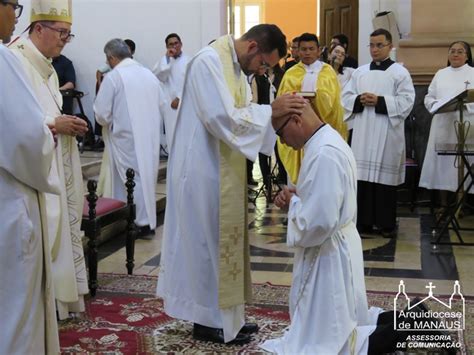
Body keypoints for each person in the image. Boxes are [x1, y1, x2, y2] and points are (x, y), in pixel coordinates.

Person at [156, 24, 306, 345]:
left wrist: (268, 113)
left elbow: (239, 115)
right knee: (205, 245)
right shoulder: (209, 61)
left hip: (222, 168)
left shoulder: (238, 70)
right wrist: (272, 110)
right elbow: (220, 117)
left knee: (221, 245)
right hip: (200, 169)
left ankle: (227, 318)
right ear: (253, 47)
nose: (264, 71)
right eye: (265, 64)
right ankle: (208, 320)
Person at [260, 104, 451, 355]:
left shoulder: (323, 153)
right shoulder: (328, 141)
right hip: (338, 244)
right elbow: (328, 201)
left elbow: (319, 223)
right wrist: (301, 196)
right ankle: (414, 317)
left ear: (296, 120)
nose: (283, 143)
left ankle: (410, 325)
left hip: (327, 252)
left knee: (333, 343)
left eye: (281, 134)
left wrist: (293, 204)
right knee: (347, 320)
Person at [10, 0, 89, 319]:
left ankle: (58, 301)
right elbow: (12, 122)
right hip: (29, 174)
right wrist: (54, 124)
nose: (64, 40)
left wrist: (64, 124)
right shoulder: (13, 61)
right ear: (38, 28)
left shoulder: (46, 65)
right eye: (61, 33)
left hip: (53, 163)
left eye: (69, 35)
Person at [0, 1, 60, 352]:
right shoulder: (4, 60)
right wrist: (47, 135)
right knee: (15, 307)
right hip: (8, 200)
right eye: (13, 6)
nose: (15, 16)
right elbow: (25, 137)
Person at [342, 28, 415, 237]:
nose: (374, 49)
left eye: (379, 45)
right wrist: (358, 100)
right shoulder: (360, 72)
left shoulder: (399, 72)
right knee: (362, 178)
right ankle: (363, 223)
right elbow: (345, 98)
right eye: (371, 45)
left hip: (387, 131)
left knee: (384, 180)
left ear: (390, 46)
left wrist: (381, 101)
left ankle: (386, 224)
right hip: (363, 130)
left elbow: (407, 101)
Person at [94, 38, 164, 238]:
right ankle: (140, 219)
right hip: (149, 137)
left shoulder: (115, 77)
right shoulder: (148, 74)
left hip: (126, 138)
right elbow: (162, 103)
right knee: (146, 177)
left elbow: (101, 113)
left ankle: (140, 223)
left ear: (112, 57)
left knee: (132, 179)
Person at [277, 32, 346, 185]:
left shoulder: (328, 72)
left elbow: (333, 103)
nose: (307, 52)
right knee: (299, 184)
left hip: (321, 129)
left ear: (319, 50)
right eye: (303, 49)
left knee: (320, 179)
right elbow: (283, 101)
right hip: (297, 130)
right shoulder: (290, 73)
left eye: (311, 48)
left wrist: (317, 98)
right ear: (298, 51)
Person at [419, 41, 474, 206]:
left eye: (460, 51)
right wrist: (436, 106)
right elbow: (429, 97)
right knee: (442, 164)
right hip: (443, 124)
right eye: (452, 51)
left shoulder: (472, 73)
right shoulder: (441, 74)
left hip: (466, 126)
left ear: (467, 56)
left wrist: (467, 106)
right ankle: (443, 204)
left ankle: (462, 204)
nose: (455, 54)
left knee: (463, 165)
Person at [152, 33, 190, 151]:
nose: (174, 46)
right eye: (170, 44)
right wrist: (167, 59)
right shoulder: (164, 61)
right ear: (167, 47)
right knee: (172, 136)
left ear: (181, 44)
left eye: (176, 43)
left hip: (185, 103)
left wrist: (179, 97)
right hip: (170, 106)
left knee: (185, 137)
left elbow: (190, 82)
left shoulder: (189, 60)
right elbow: (158, 77)